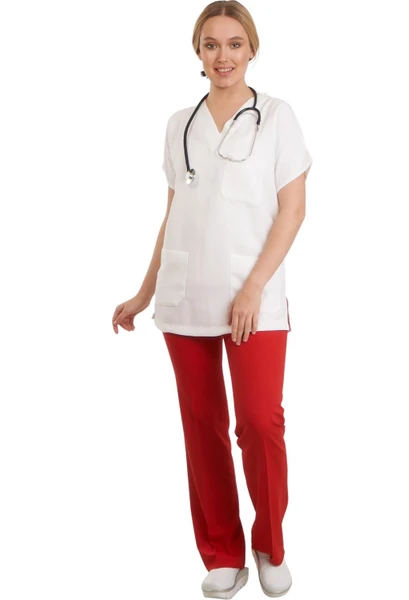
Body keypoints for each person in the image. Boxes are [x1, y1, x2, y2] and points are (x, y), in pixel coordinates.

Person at [112, 1, 312, 598]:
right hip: (185, 295)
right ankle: (223, 551)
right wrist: (144, 291)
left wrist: (252, 288)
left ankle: (269, 543)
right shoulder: (180, 123)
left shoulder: (276, 117)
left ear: (252, 49)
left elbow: (293, 211)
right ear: (197, 53)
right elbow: (174, 213)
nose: (223, 56)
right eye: (211, 45)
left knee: (259, 422)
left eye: (234, 44)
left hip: (256, 299)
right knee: (202, 427)